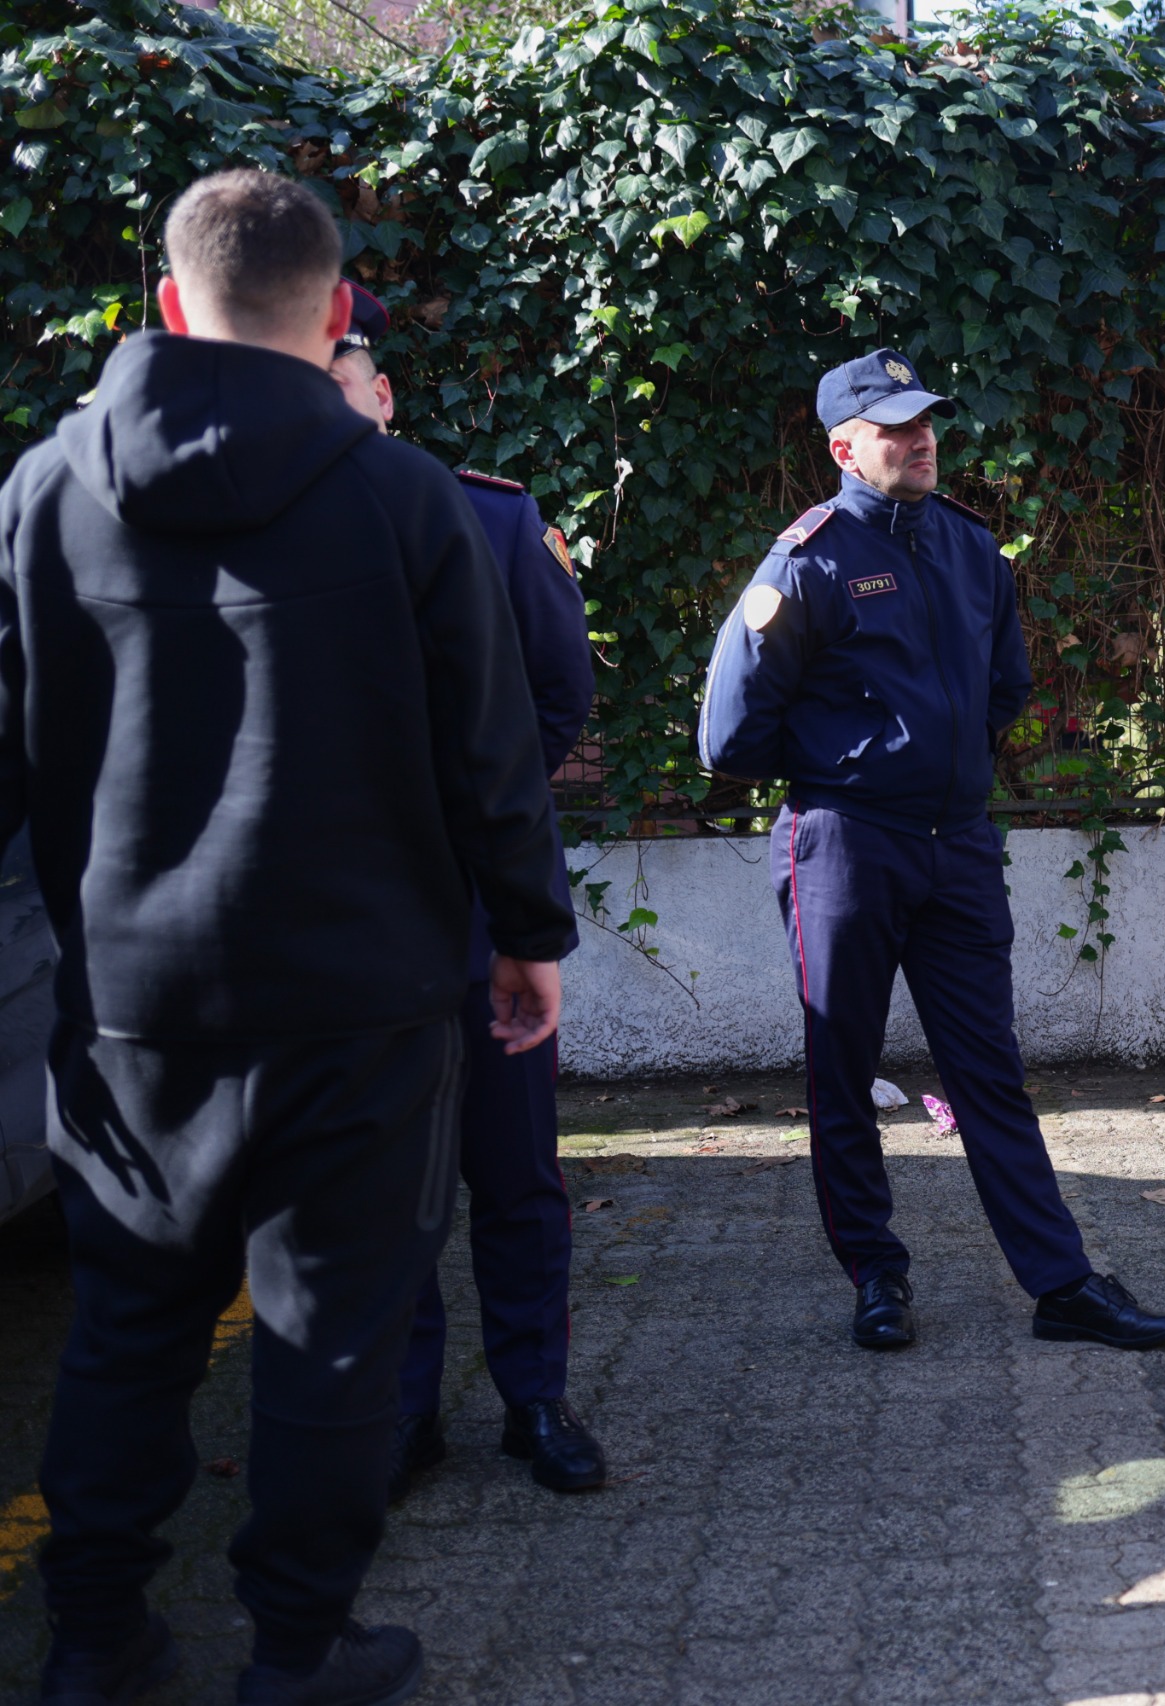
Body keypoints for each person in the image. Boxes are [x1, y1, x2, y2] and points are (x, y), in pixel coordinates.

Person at [7, 169, 574, 1705]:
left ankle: (95, 1642)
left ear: (170, 305)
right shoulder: (403, 495)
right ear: (334, 316)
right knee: (331, 1334)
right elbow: (490, 744)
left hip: (130, 1008)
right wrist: (529, 931)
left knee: (129, 1328)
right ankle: (299, 1647)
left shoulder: (44, 488)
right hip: (360, 995)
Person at [697, 348, 1165, 1353]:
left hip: (956, 845)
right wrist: (851, 763)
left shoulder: (970, 546)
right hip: (846, 844)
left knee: (990, 1070)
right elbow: (729, 737)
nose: (920, 441)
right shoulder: (807, 559)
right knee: (842, 1065)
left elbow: (1004, 686)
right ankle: (876, 1275)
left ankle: (1061, 1283)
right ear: (845, 447)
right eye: (895, 429)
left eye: (926, 424)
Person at [324, 284, 607, 1499]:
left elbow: (558, 697)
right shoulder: (262, 531)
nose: (318, 404)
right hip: (351, 917)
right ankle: (403, 1409)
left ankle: (533, 1397)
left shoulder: (490, 520)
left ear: (381, 393)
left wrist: (470, 821)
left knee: (516, 1166)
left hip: (484, 902)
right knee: (385, 1181)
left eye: (337, 382)